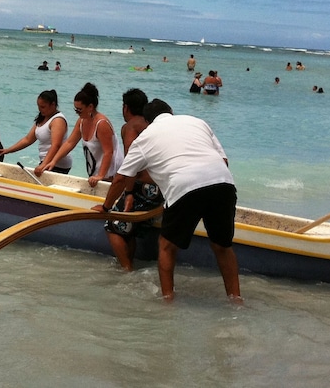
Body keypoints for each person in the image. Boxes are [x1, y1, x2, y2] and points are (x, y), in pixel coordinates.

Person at [94, 99, 240, 302]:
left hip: (184, 187)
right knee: (222, 246)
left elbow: (121, 178)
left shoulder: (145, 137)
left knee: (166, 246)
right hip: (223, 183)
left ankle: (167, 300)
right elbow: (224, 161)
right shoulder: (197, 122)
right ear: (171, 111)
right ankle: (236, 299)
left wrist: (106, 206)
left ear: (147, 120)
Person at [102, 89, 164, 271]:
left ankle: (127, 269)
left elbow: (131, 164)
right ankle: (130, 264)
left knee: (112, 225)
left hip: (144, 188)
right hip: (163, 188)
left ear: (125, 107)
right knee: (129, 230)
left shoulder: (130, 126)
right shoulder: (152, 125)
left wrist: (127, 193)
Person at [41, 83, 123, 188]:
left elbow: (108, 152)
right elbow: (70, 143)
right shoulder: (81, 121)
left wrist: (101, 175)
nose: (77, 113)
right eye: (75, 109)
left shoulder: (102, 124)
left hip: (111, 174)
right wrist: (53, 161)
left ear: (90, 107)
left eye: (79, 110)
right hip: (95, 172)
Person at [0, 89, 72, 176]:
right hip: (46, 160)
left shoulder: (58, 120)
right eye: (38, 106)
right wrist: (8, 150)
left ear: (53, 105)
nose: (40, 109)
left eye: (43, 107)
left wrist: (43, 164)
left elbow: (56, 145)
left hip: (58, 163)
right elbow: (28, 139)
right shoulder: (42, 118)